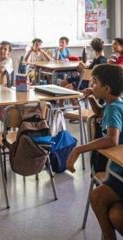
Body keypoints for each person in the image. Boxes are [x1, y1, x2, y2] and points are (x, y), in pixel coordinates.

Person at [66, 64, 123, 240]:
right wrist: (91, 98)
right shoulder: (113, 103)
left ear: (107, 88)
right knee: (109, 208)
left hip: (119, 171)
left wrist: (78, 149)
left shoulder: (114, 108)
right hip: (116, 168)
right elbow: (100, 113)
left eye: (95, 82)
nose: (91, 84)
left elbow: (112, 139)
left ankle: (107, 237)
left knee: (97, 197)